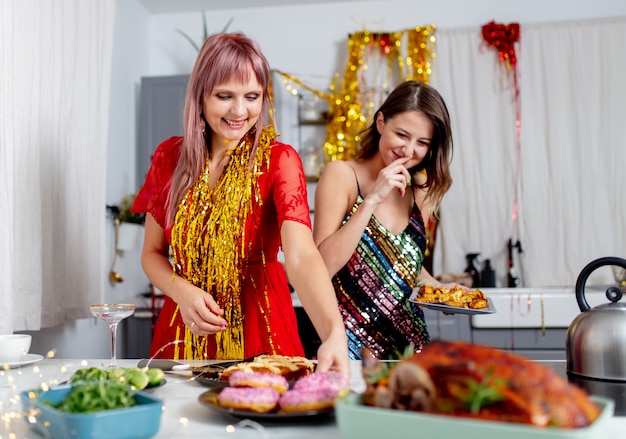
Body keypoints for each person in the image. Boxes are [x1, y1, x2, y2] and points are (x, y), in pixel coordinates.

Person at [132, 32, 349, 377]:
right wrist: (183, 292)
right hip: (183, 331)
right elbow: (151, 253)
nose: (239, 110)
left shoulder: (280, 160)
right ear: (200, 96)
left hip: (262, 333)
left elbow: (301, 255)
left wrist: (334, 333)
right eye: (224, 96)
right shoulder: (169, 157)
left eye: (252, 96)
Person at [313, 80, 458, 360]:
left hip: (412, 351)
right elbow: (320, 268)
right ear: (381, 122)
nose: (409, 150)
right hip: (351, 350)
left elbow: (407, 269)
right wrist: (371, 201)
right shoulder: (342, 175)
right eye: (402, 135)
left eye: (422, 143)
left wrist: (439, 290)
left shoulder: (421, 189)